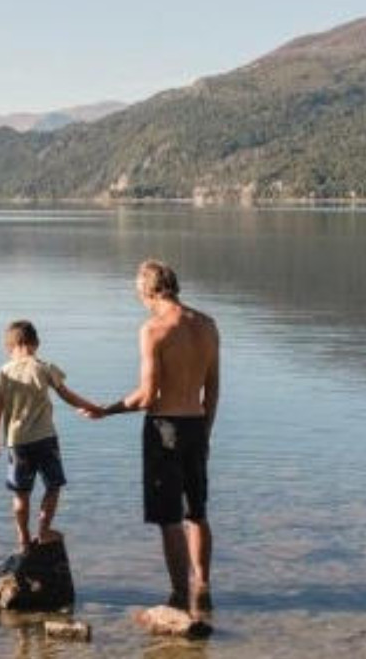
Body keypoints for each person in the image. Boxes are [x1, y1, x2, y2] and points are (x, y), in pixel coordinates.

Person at [82, 260, 220, 616]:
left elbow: (146, 396)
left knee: (169, 517)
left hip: (165, 429)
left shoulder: (154, 330)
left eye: (139, 294)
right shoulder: (207, 325)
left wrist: (106, 409)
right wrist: (206, 429)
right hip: (196, 424)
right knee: (198, 512)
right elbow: (213, 387)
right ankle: (202, 587)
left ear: (149, 291)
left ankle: (178, 594)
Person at [0, 320, 99, 552]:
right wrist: (93, 407)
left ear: (10, 347)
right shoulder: (45, 367)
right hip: (46, 439)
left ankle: (23, 536)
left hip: (17, 443)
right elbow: (67, 395)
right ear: (36, 343)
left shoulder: (2, 373)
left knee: (21, 492)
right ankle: (44, 529)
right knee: (53, 486)